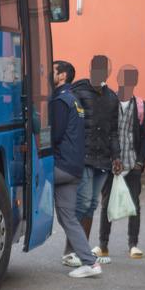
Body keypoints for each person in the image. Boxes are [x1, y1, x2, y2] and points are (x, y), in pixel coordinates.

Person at [63, 55, 121, 268]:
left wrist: (117, 156)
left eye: (103, 69)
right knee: (83, 202)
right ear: (90, 69)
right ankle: (71, 251)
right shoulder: (78, 91)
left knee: (92, 205)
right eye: (96, 68)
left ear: (108, 72)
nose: (99, 72)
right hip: (84, 156)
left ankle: (82, 250)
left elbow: (113, 131)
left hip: (104, 159)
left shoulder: (112, 98)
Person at [95, 65, 145, 260]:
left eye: (131, 79)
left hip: (132, 162)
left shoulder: (142, 106)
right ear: (118, 79)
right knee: (106, 203)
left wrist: (141, 161)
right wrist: (108, 157)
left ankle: (133, 244)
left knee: (134, 204)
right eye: (124, 78)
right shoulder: (109, 102)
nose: (127, 82)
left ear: (135, 82)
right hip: (111, 162)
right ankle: (103, 244)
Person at [50, 61, 101, 278]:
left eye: (52, 71)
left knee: (25, 176)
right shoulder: (74, 99)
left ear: (61, 76)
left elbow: (54, 135)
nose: (47, 74)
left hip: (60, 166)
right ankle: (90, 262)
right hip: (74, 167)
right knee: (68, 217)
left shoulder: (60, 100)